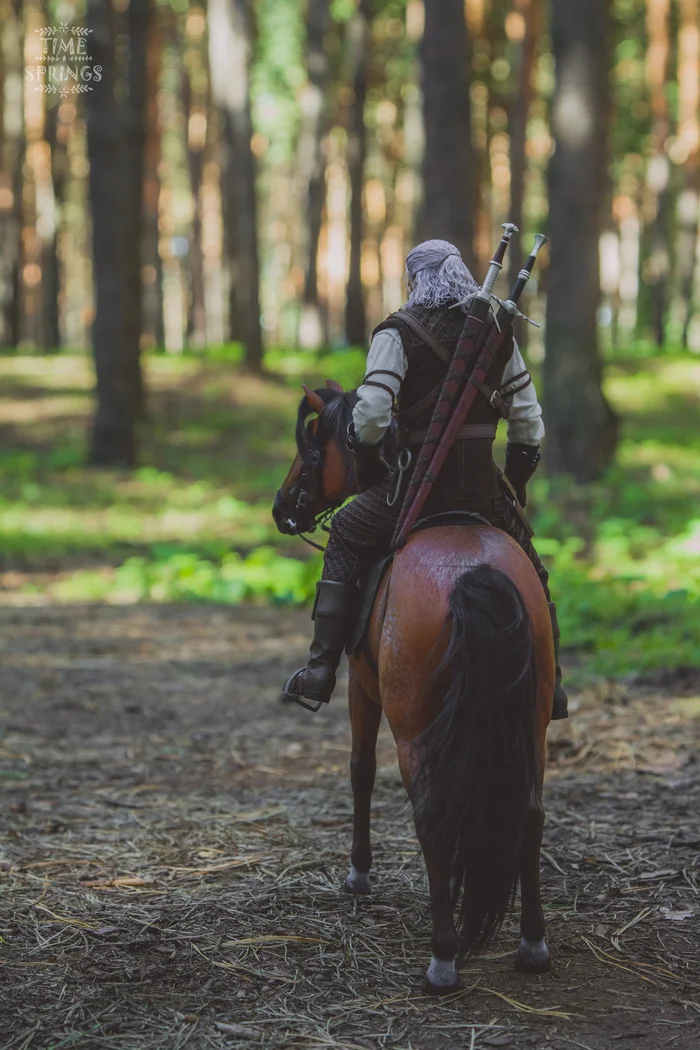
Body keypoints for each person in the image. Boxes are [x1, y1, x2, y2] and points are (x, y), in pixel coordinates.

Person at [283, 239, 568, 720]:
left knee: (347, 535)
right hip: (483, 494)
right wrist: (515, 483)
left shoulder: (397, 331)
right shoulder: (497, 332)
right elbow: (528, 424)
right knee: (533, 572)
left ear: (414, 280)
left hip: (412, 494)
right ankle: (553, 682)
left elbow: (371, 417)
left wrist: (362, 451)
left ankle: (320, 668)